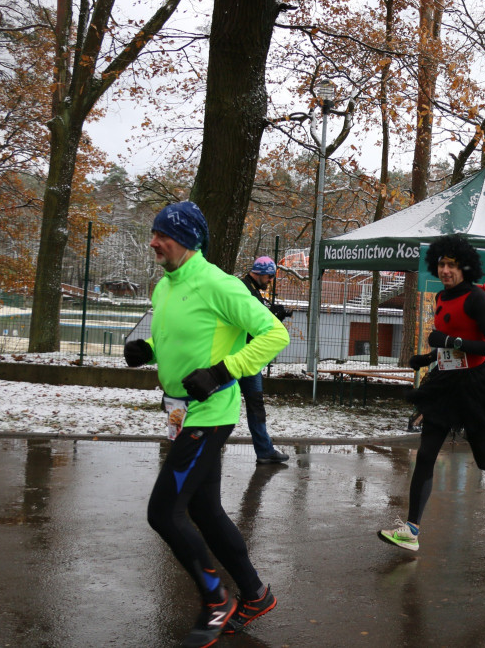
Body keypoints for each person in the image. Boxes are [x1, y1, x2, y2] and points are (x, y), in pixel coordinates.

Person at [124, 202, 290, 647]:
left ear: (188, 241)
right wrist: (151, 350)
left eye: (164, 235)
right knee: (204, 509)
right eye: (154, 233)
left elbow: (276, 334)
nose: (154, 241)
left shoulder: (218, 284)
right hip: (180, 413)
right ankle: (255, 593)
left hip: (210, 413)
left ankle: (217, 600)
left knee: (163, 512)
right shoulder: (166, 286)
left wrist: (222, 372)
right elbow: (181, 335)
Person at [377, 234, 485, 552]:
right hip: (445, 384)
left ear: (465, 268)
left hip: (475, 387)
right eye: (441, 264)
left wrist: (449, 342)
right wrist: (427, 358)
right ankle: (411, 531)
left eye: (452, 265)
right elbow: (447, 342)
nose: (445, 270)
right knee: (426, 455)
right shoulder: (441, 298)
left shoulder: (476, 299)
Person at [239, 256, 290, 464]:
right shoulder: (244, 290)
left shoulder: (251, 290)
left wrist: (271, 315)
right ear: (260, 272)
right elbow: (248, 322)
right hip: (240, 357)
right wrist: (271, 316)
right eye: (269, 276)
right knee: (234, 405)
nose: (270, 280)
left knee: (256, 406)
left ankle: (265, 451)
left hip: (248, 358)